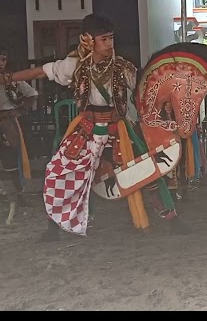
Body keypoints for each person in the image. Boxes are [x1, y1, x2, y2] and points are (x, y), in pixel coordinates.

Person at [0, 14, 190, 241]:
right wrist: (7, 79)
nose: (110, 44)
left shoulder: (123, 67)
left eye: (111, 39)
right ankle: (54, 227)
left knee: (146, 170)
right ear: (88, 39)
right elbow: (41, 71)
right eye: (104, 39)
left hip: (118, 129)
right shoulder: (74, 66)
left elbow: (145, 88)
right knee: (59, 173)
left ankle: (172, 220)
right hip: (86, 130)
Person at [0, 49, 38, 206]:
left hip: (7, 122)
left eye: (3, 60)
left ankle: (19, 195)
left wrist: (20, 110)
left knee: (10, 158)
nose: (1, 63)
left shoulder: (12, 79)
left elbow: (33, 94)